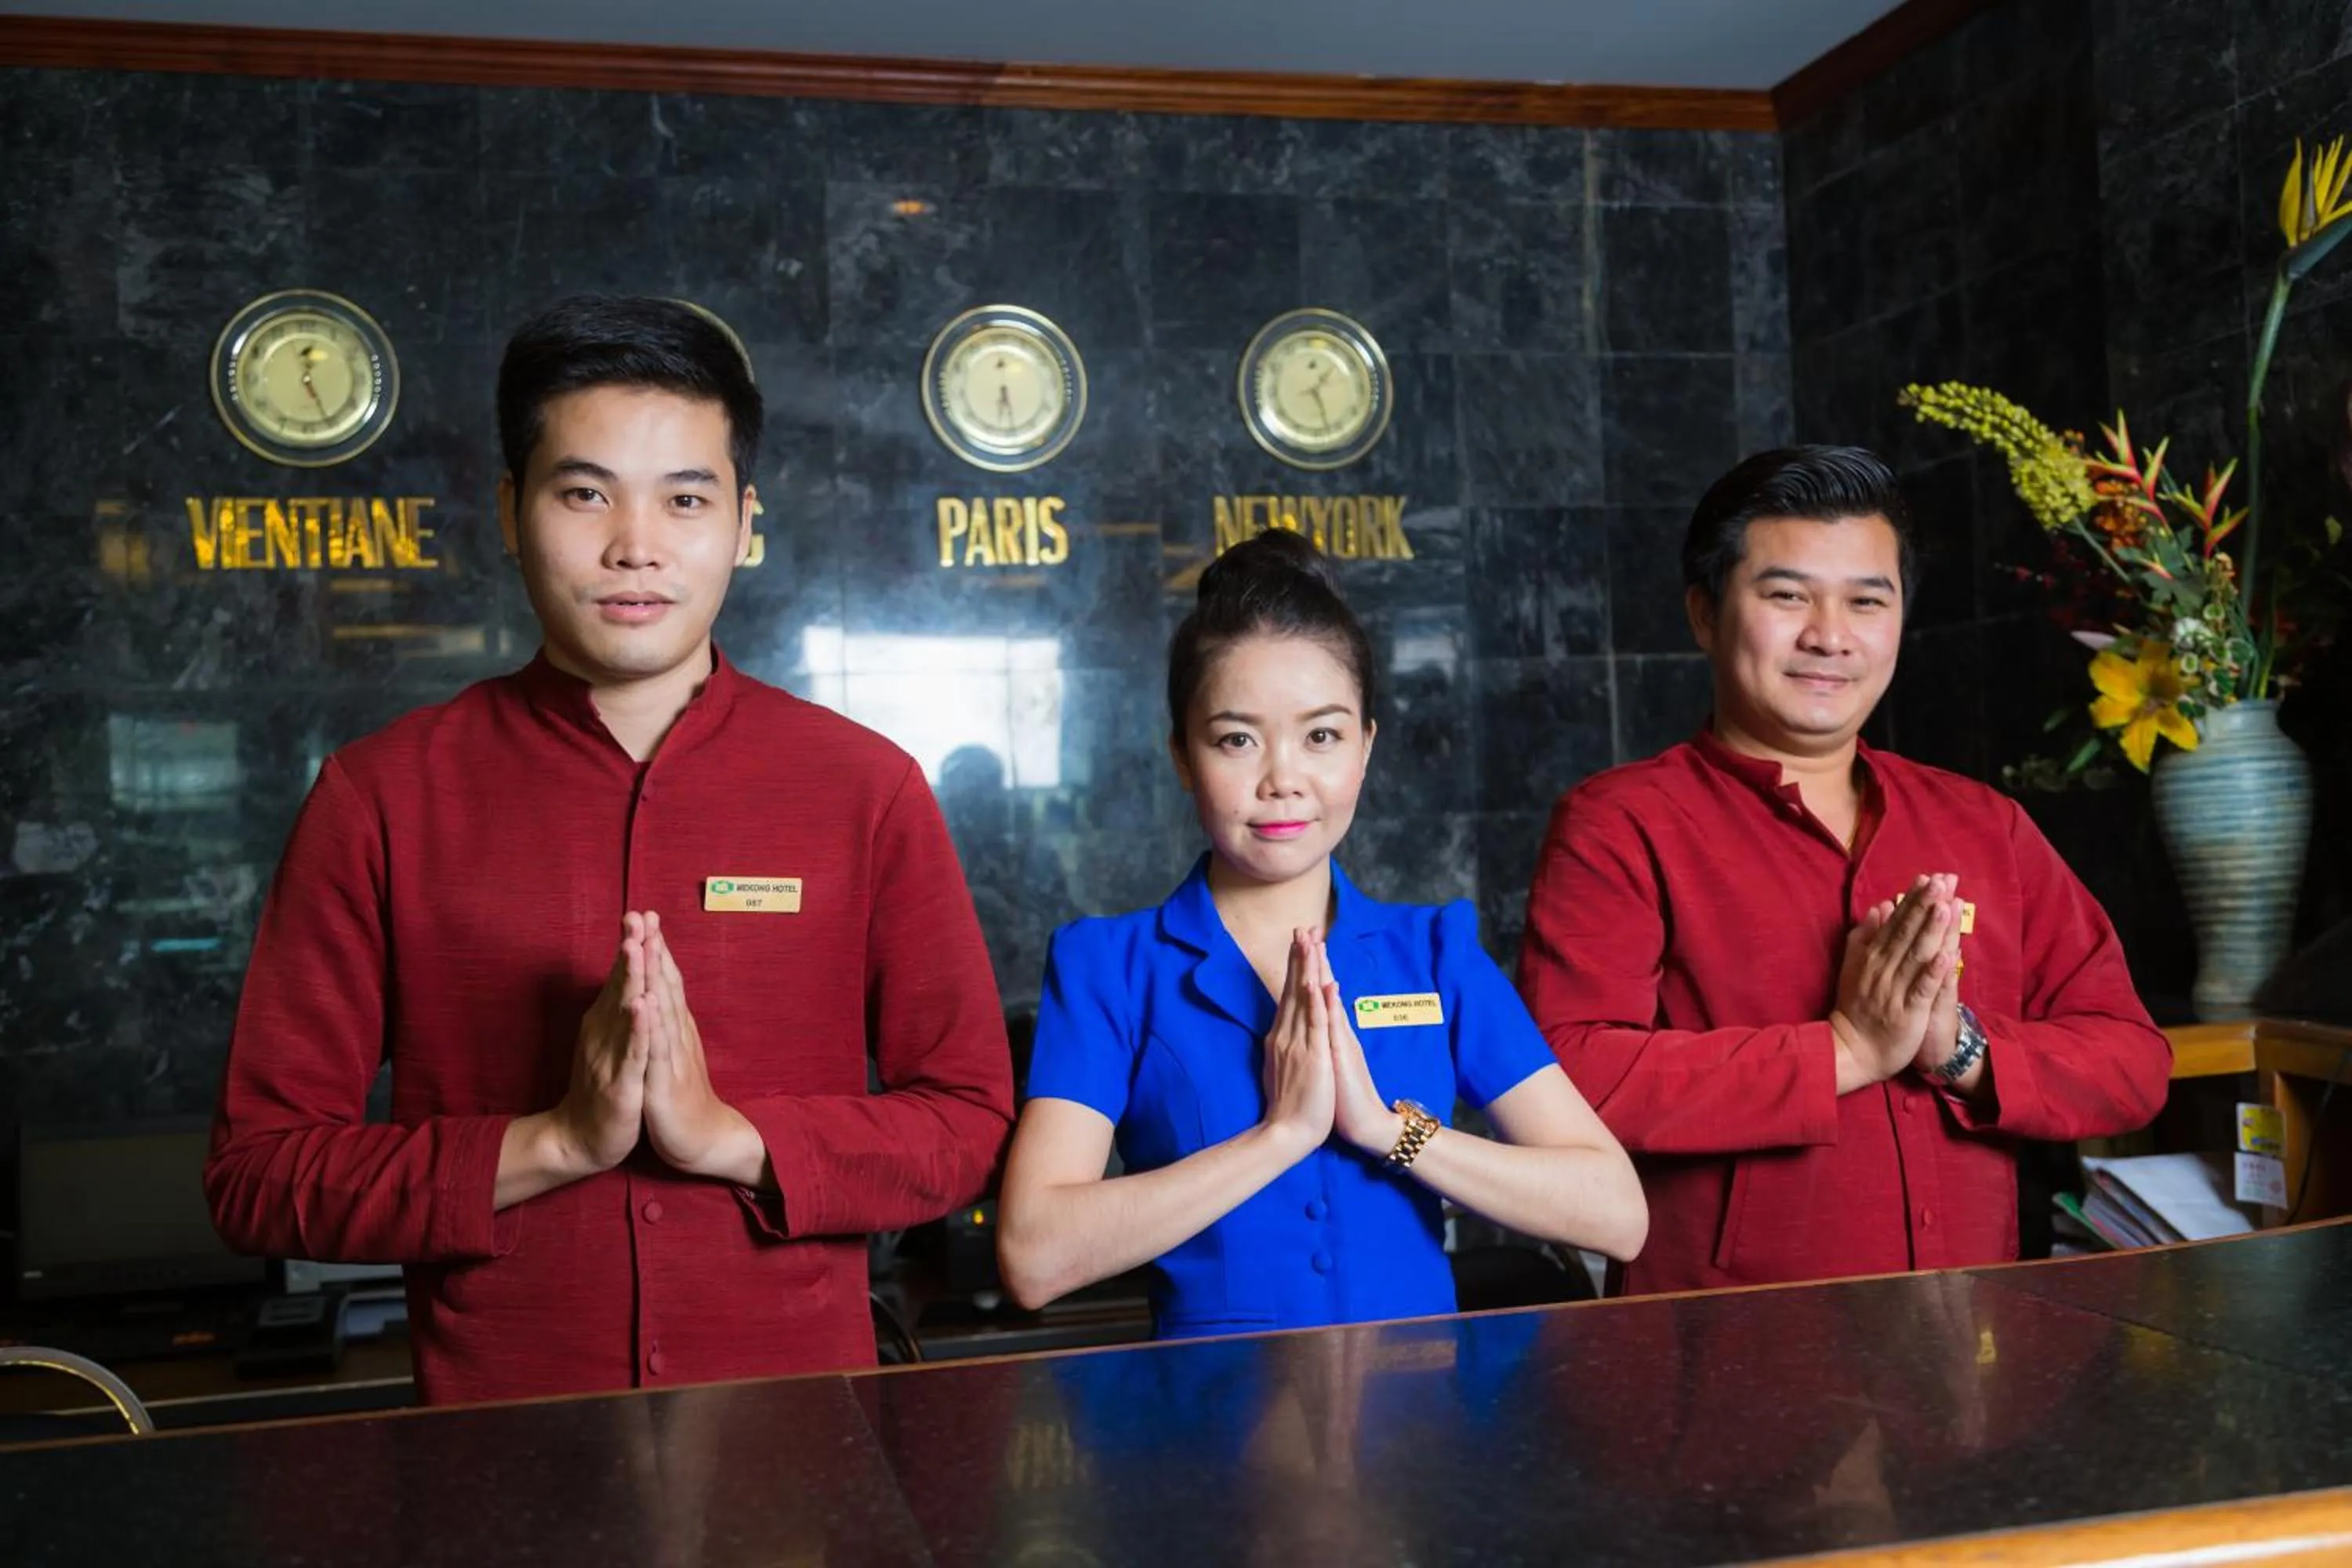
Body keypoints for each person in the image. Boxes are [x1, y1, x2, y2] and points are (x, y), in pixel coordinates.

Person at [205, 296, 1012, 1404]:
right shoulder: (380, 797)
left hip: (797, 1454)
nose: (635, 547)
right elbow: (258, 1171)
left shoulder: (864, 790)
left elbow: (965, 1122)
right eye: (584, 493)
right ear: (508, 509)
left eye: (686, 499)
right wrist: (553, 1144)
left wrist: (734, 1141)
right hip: (496, 1458)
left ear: (744, 523)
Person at [1516, 445, 2170, 1295]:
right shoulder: (1624, 824)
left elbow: (2132, 1061)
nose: (1830, 634)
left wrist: (1958, 1048)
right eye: (1787, 595)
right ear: (1705, 614)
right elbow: (1568, 1080)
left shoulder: (1983, 825)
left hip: (1976, 1337)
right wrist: (1841, 1052)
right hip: (1732, 1349)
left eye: (1867, 600)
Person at [995, 528, 1646, 1336]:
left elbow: (1616, 1213)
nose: (1283, 778)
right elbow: (1032, 1254)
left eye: (1323, 735)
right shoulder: (1110, 967)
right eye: (1237, 738)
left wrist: (1387, 1130)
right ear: (1181, 755)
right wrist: (1278, 1136)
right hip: (1205, 1435)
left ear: (1366, 747)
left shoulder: (1434, 952)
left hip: (1419, 1434)